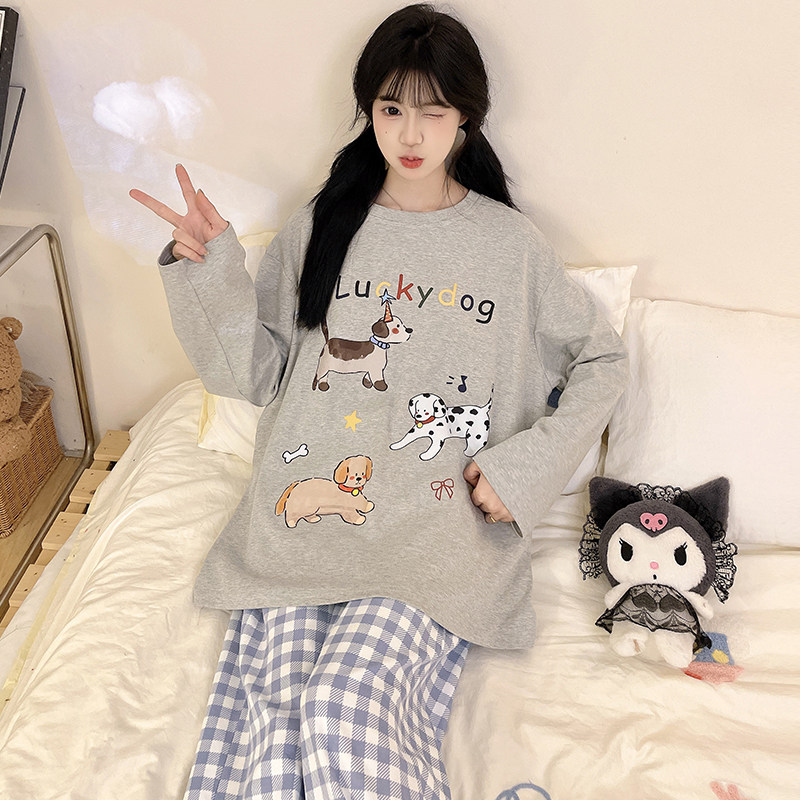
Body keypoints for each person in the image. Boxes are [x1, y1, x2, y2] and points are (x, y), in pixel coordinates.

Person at [131, 4, 628, 798]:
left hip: (432, 543)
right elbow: (252, 375)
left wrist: (525, 470)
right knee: (275, 740)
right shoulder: (324, 225)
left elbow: (603, 361)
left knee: (338, 708)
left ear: (466, 117)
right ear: (369, 110)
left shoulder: (511, 247)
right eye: (392, 109)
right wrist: (210, 270)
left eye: (433, 111)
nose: (410, 133)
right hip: (301, 534)